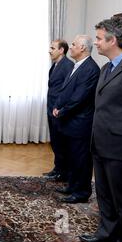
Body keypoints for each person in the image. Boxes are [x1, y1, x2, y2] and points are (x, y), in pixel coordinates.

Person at [80, 17, 122, 242]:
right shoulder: (106, 68)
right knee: (104, 196)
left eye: (98, 38)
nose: (96, 43)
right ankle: (106, 234)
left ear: (112, 40)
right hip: (101, 145)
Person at [53, 35, 100, 204]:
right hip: (70, 122)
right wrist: (57, 106)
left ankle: (81, 192)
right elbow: (65, 91)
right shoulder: (78, 65)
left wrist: (62, 110)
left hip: (80, 124)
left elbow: (79, 98)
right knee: (72, 158)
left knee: (81, 160)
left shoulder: (91, 69)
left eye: (73, 44)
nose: (70, 47)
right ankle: (72, 186)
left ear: (82, 48)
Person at [43, 40, 74, 181]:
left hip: (59, 111)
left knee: (61, 144)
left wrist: (59, 109)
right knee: (55, 143)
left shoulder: (68, 66)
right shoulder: (55, 65)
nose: (50, 50)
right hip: (51, 110)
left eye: (52, 48)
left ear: (61, 50)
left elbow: (67, 90)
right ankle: (57, 169)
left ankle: (63, 173)